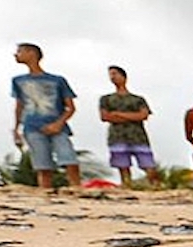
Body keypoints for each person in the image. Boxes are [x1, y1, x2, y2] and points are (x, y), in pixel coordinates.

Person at [11, 43, 81, 189]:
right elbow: (19, 106)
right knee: (42, 165)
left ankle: (76, 188)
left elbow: (70, 107)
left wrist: (58, 124)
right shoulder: (18, 81)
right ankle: (45, 193)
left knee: (69, 158)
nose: (16, 55)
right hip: (32, 126)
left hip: (57, 126)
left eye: (20, 51)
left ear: (32, 53)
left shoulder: (57, 80)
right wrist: (16, 128)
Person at [98, 66, 159, 189]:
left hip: (138, 136)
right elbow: (105, 117)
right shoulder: (106, 99)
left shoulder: (138, 99)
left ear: (123, 76)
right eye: (110, 74)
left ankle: (155, 187)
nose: (112, 77)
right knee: (122, 165)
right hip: (117, 136)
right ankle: (127, 187)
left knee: (148, 163)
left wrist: (118, 114)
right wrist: (131, 116)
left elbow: (143, 115)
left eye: (115, 74)